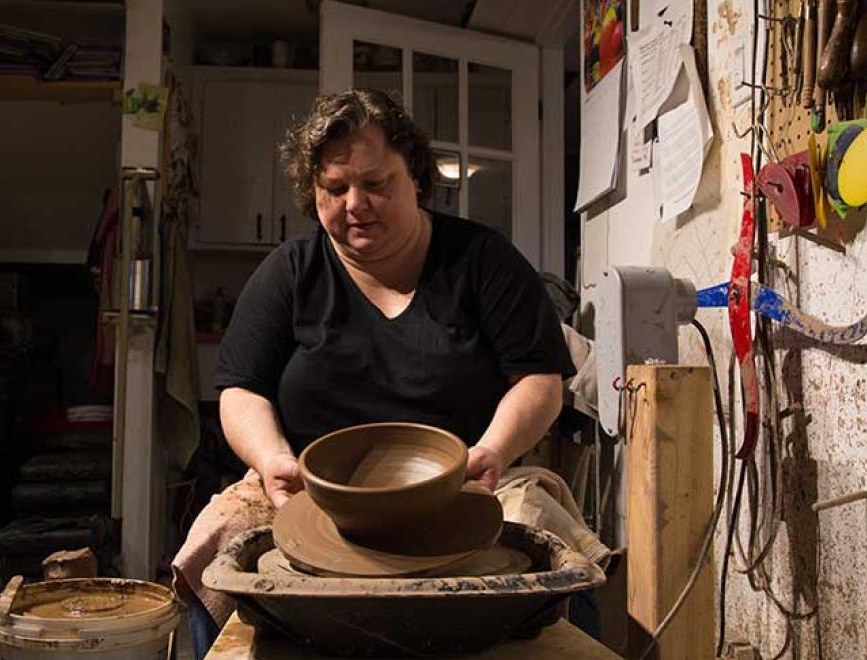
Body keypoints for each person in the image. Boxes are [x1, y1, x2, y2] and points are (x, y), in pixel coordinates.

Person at [173, 88, 577, 658]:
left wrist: (494, 450)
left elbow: (539, 379)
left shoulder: (483, 260)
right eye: (334, 189)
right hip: (312, 490)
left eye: (376, 183)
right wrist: (271, 461)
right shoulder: (290, 270)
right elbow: (242, 388)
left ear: (414, 175)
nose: (355, 203)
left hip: (464, 480)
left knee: (553, 547)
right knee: (213, 541)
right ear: (312, 194)